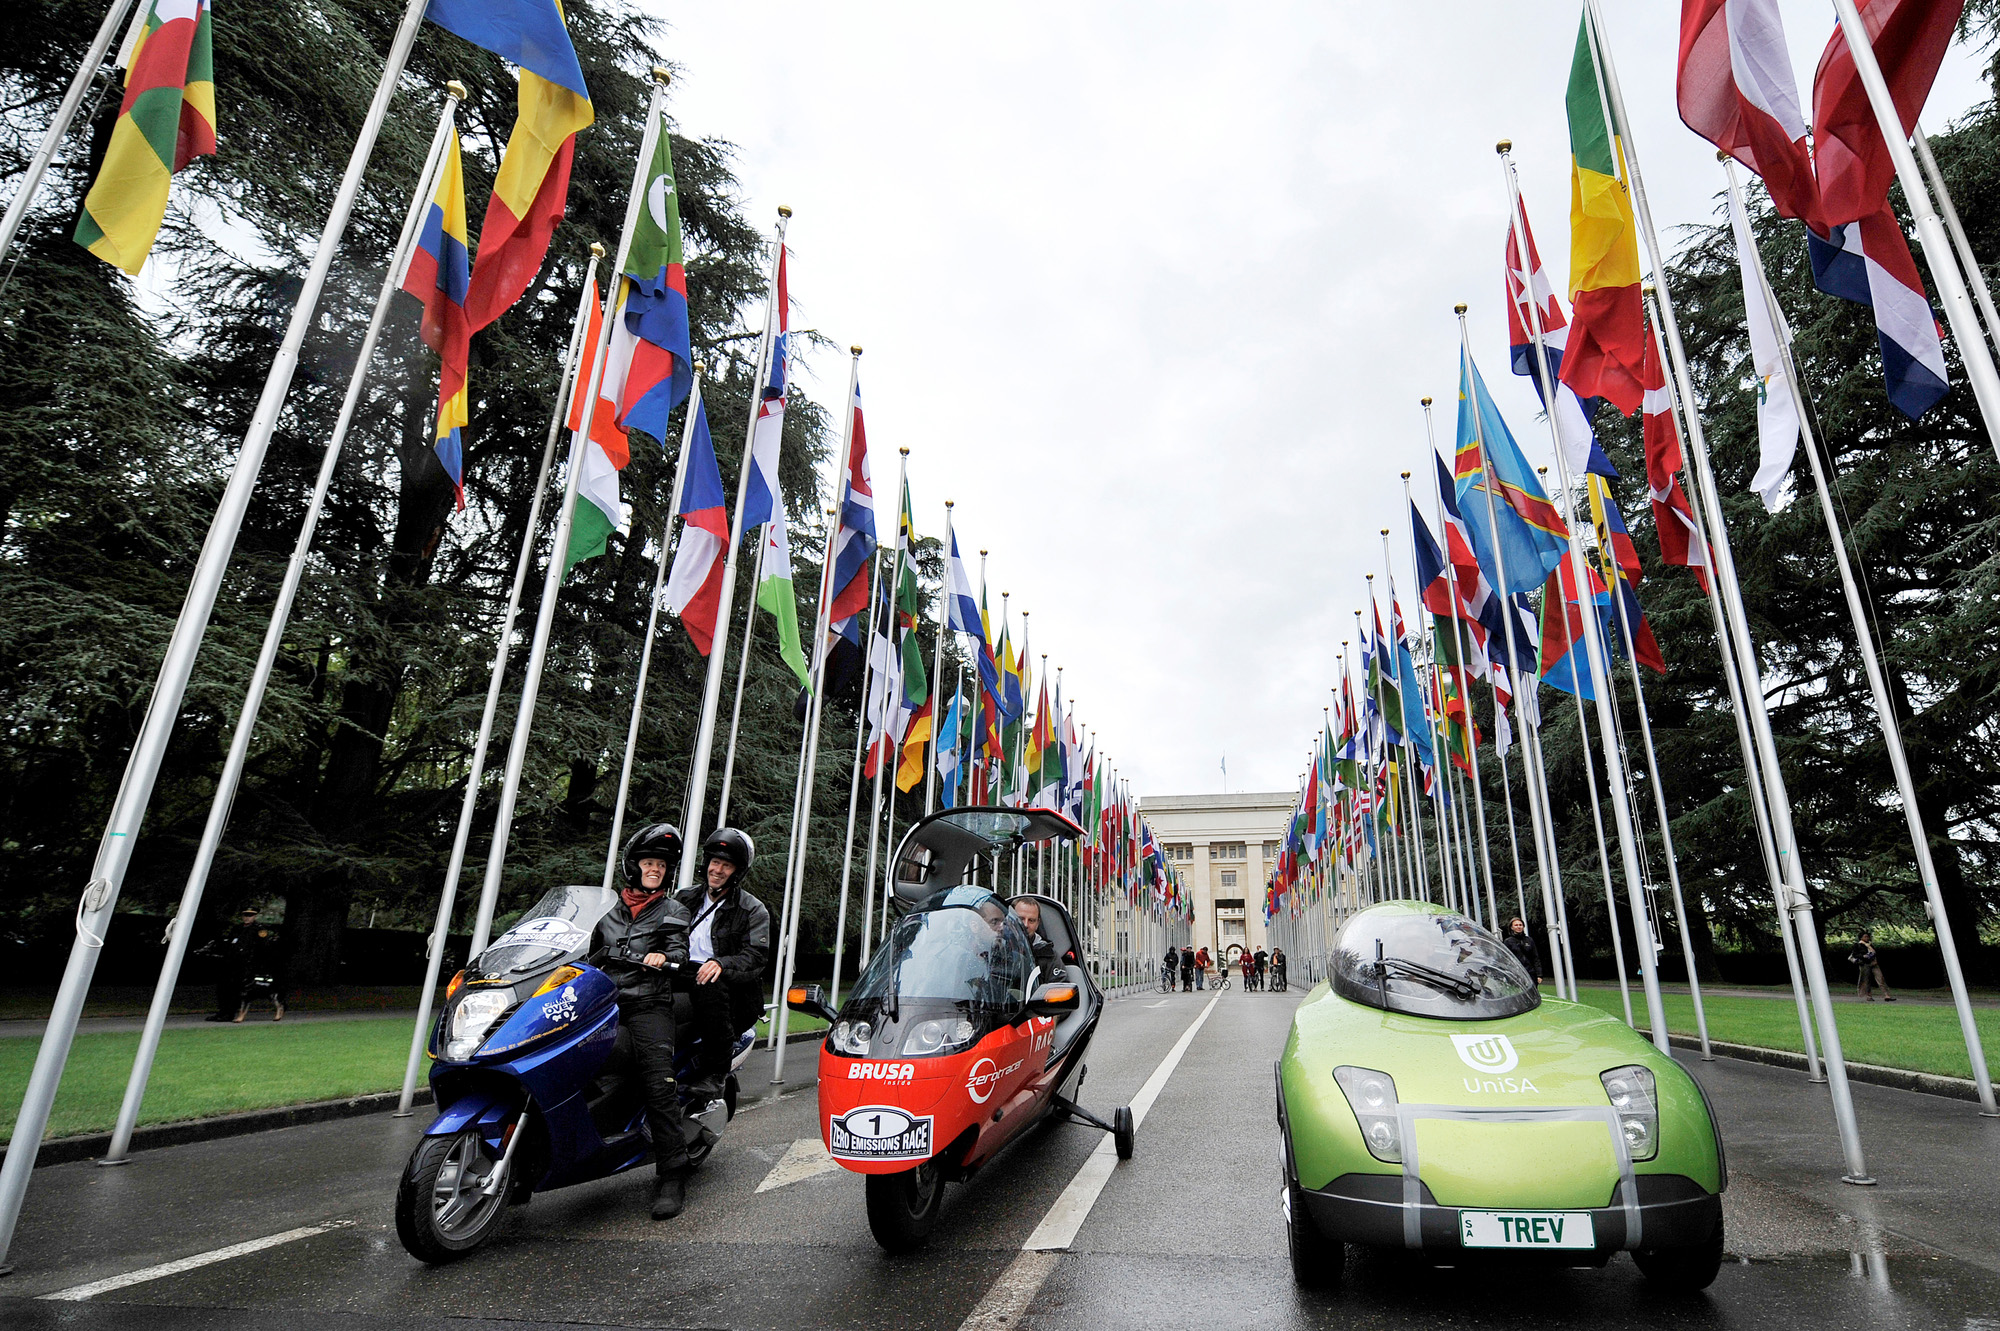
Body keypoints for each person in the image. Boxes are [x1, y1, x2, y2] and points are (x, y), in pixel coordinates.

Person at [589, 823, 694, 1220]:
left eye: (662, 865)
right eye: (649, 862)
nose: (656, 869)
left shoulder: (672, 910)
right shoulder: (606, 911)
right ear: (633, 867)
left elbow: (677, 949)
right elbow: (586, 950)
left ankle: (672, 1173)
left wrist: (665, 958)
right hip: (605, 1002)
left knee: (658, 1082)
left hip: (649, 1005)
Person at [678, 828, 773, 1104]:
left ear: (737, 871)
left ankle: (715, 1074)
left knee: (709, 982)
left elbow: (756, 955)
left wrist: (721, 962)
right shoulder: (684, 899)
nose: (718, 870)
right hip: (682, 972)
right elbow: (662, 934)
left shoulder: (752, 909)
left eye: (726, 865)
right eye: (715, 862)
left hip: (727, 988)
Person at [1011, 897, 1059, 977]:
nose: (1025, 925)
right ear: (1010, 919)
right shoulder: (997, 948)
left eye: (1031, 920)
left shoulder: (1048, 955)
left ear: (1037, 924)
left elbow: (1060, 987)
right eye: (1021, 919)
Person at [1849, 931, 1894, 1001]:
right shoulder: (1858, 945)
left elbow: (1874, 953)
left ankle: (1887, 995)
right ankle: (1868, 996)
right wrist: (1863, 956)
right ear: (1861, 937)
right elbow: (1855, 954)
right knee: (1866, 980)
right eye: (1865, 937)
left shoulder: (1870, 945)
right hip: (1865, 964)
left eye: (1867, 936)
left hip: (1873, 963)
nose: (1867, 938)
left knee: (1880, 978)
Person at [1504, 918, 1543, 983]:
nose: (1518, 927)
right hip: (1516, 974)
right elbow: (1506, 959)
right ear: (1511, 927)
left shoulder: (1529, 940)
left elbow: (1535, 958)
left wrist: (1539, 974)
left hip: (1530, 973)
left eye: (1520, 925)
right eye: (1516, 925)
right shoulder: (1508, 941)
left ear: (1523, 926)